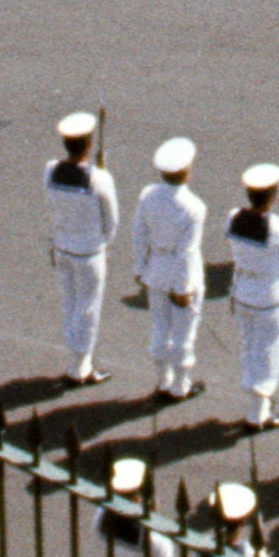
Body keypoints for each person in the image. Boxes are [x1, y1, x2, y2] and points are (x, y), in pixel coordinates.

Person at [45, 112, 122, 385]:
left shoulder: (51, 169)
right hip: (88, 251)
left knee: (70, 303)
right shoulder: (100, 179)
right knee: (88, 308)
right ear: (89, 144)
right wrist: (104, 243)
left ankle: (75, 360)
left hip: (62, 245)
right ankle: (80, 368)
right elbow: (111, 219)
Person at [134, 135, 213, 401]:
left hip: (156, 266)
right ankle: (180, 385)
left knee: (159, 326)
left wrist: (140, 267)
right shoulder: (194, 207)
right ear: (187, 173)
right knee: (183, 333)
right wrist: (182, 287)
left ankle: (162, 379)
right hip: (181, 273)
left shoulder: (147, 196)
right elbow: (187, 252)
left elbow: (139, 234)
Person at [225, 160, 279, 426]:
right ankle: (259, 413)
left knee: (250, 346)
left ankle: (257, 400)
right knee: (268, 351)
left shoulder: (234, 217)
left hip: (244, 290)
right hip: (270, 296)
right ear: (272, 196)